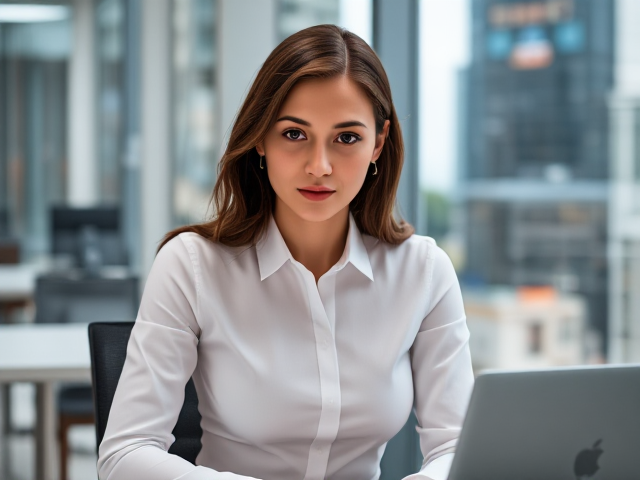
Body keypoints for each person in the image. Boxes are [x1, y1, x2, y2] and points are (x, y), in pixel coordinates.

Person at [97, 24, 474, 480]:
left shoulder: (424, 271)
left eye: (347, 137)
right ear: (260, 137)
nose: (320, 166)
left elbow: (459, 447)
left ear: (378, 142)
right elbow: (125, 455)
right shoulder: (191, 265)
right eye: (295, 134)